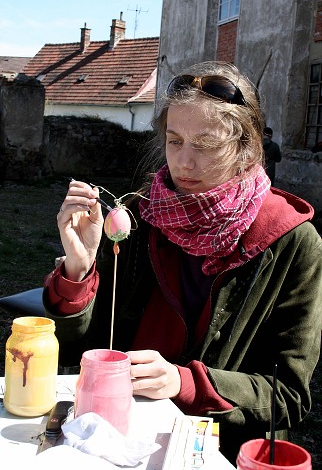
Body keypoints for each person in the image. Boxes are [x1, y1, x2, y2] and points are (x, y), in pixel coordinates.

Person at [43, 61, 322, 465]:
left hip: (216, 452)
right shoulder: (139, 218)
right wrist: (78, 270)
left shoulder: (292, 242)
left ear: (246, 148)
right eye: (175, 141)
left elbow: (289, 395)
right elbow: (83, 350)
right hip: (114, 437)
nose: (184, 163)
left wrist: (183, 381)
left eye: (206, 145)